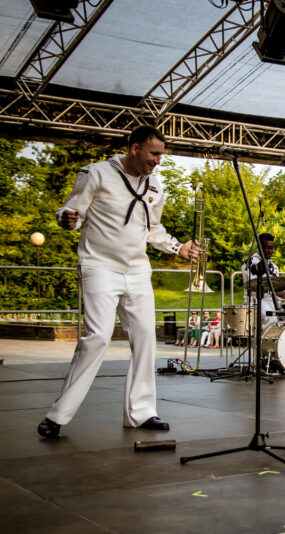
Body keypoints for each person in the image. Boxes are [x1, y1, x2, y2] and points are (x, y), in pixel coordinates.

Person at [37, 125, 201, 438]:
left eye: (162, 154)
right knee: (97, 337)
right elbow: (71, 210)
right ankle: (58, 415)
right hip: (99, 266)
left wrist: (177, 247)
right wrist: (66, 219)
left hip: (137, 269)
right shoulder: (96, 173)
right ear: (134, 148)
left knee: (145, 338)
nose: (158, 160)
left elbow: (153, 230)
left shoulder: (155, 185)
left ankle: (141, 413)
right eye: (154, 153)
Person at [243, 233, 285, 329]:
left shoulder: (274, 266)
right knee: (271, 316)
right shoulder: (250, 264)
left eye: (272, 248)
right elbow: (253, 286)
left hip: (272, 301)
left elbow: (278, 285)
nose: (270, 251)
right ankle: (267, 342)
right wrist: (276, 292)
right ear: (260, 247)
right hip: (256, 300)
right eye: (267, 248)